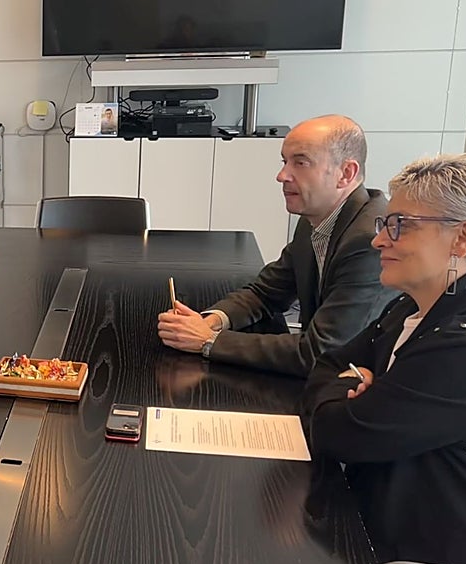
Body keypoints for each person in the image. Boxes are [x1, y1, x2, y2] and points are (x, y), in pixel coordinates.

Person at [302, 155, 466, 564]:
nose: (379, 238)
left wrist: (361, 393)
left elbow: (336, 433)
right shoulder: (417, 307)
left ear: (463, 238)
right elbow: (326, 364)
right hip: (384, 524)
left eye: (400, 225)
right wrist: (356, 388)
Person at [157, 114, 394, 377]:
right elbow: (266, 292)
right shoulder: (316, 218)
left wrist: (209, 341)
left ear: (345, 174)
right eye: (285, 162)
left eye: (300, 163)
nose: (282, 176)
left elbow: (322, 353)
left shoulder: (369, 241)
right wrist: (212, 321)